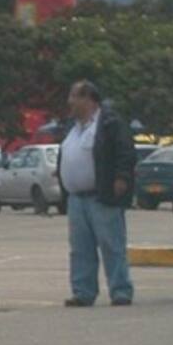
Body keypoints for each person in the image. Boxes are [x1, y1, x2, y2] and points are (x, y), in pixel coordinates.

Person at [55, 80, 136, 307]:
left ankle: (120, 290)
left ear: (90, 100)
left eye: (75, 96)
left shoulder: (109, 123)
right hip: (76, 198)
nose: (70, 101)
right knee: (80, 248)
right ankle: (83, 291)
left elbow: (125, 152)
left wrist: (121, 178)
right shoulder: (73, 128)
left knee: (111, 244)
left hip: (101, 195)